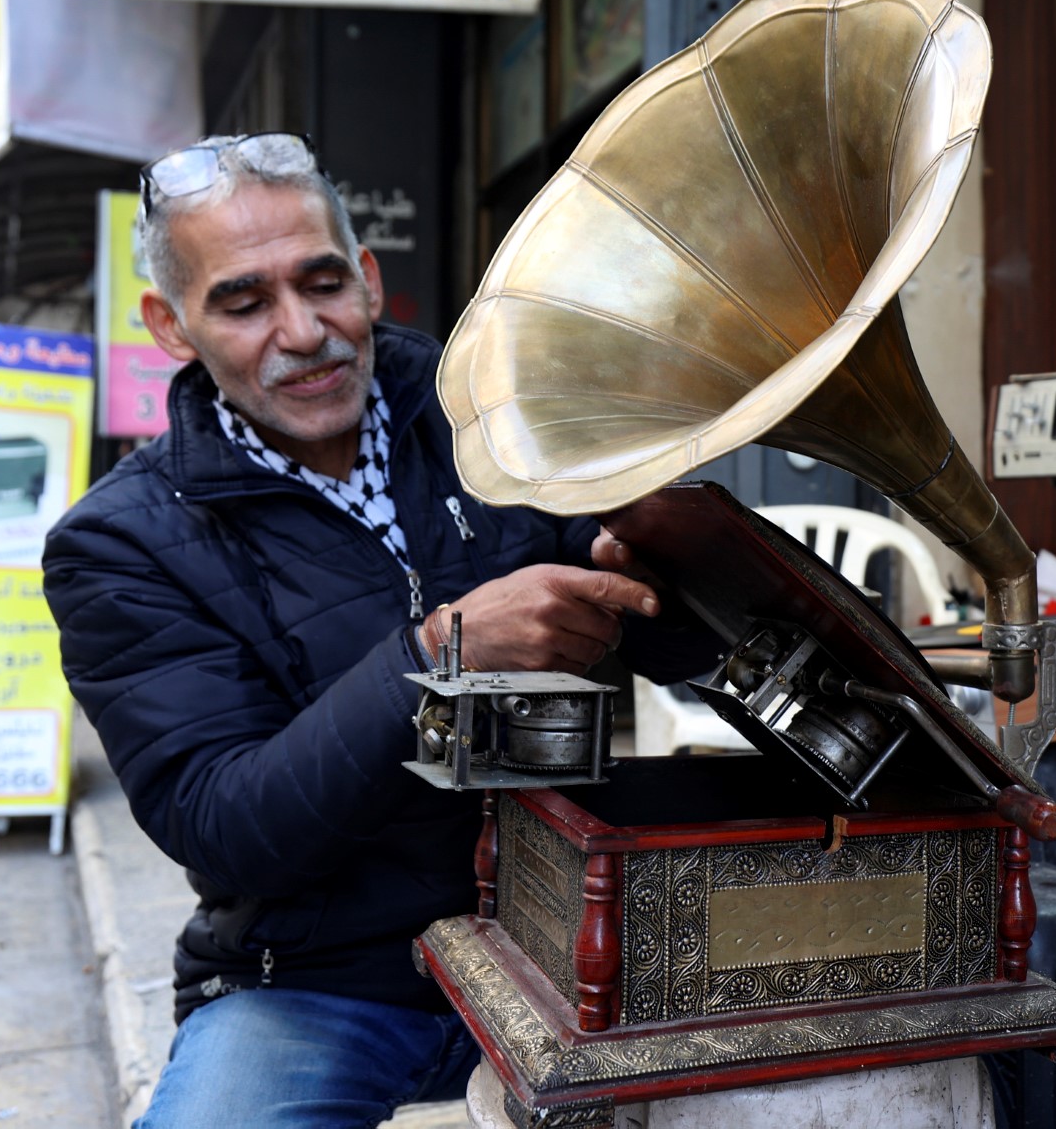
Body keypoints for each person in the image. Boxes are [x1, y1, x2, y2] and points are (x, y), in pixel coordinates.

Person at [42, 133, 722, 1126]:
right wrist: (434, 653)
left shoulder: (494, 412)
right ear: (171, 326)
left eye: (322, 284)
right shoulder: (117, 542)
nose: (302, 330)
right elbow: (225, 831)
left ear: (366, 278)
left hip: (569, 940)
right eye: (243, 303)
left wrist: (671, 557)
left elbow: (693, 651)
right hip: (314, 982)